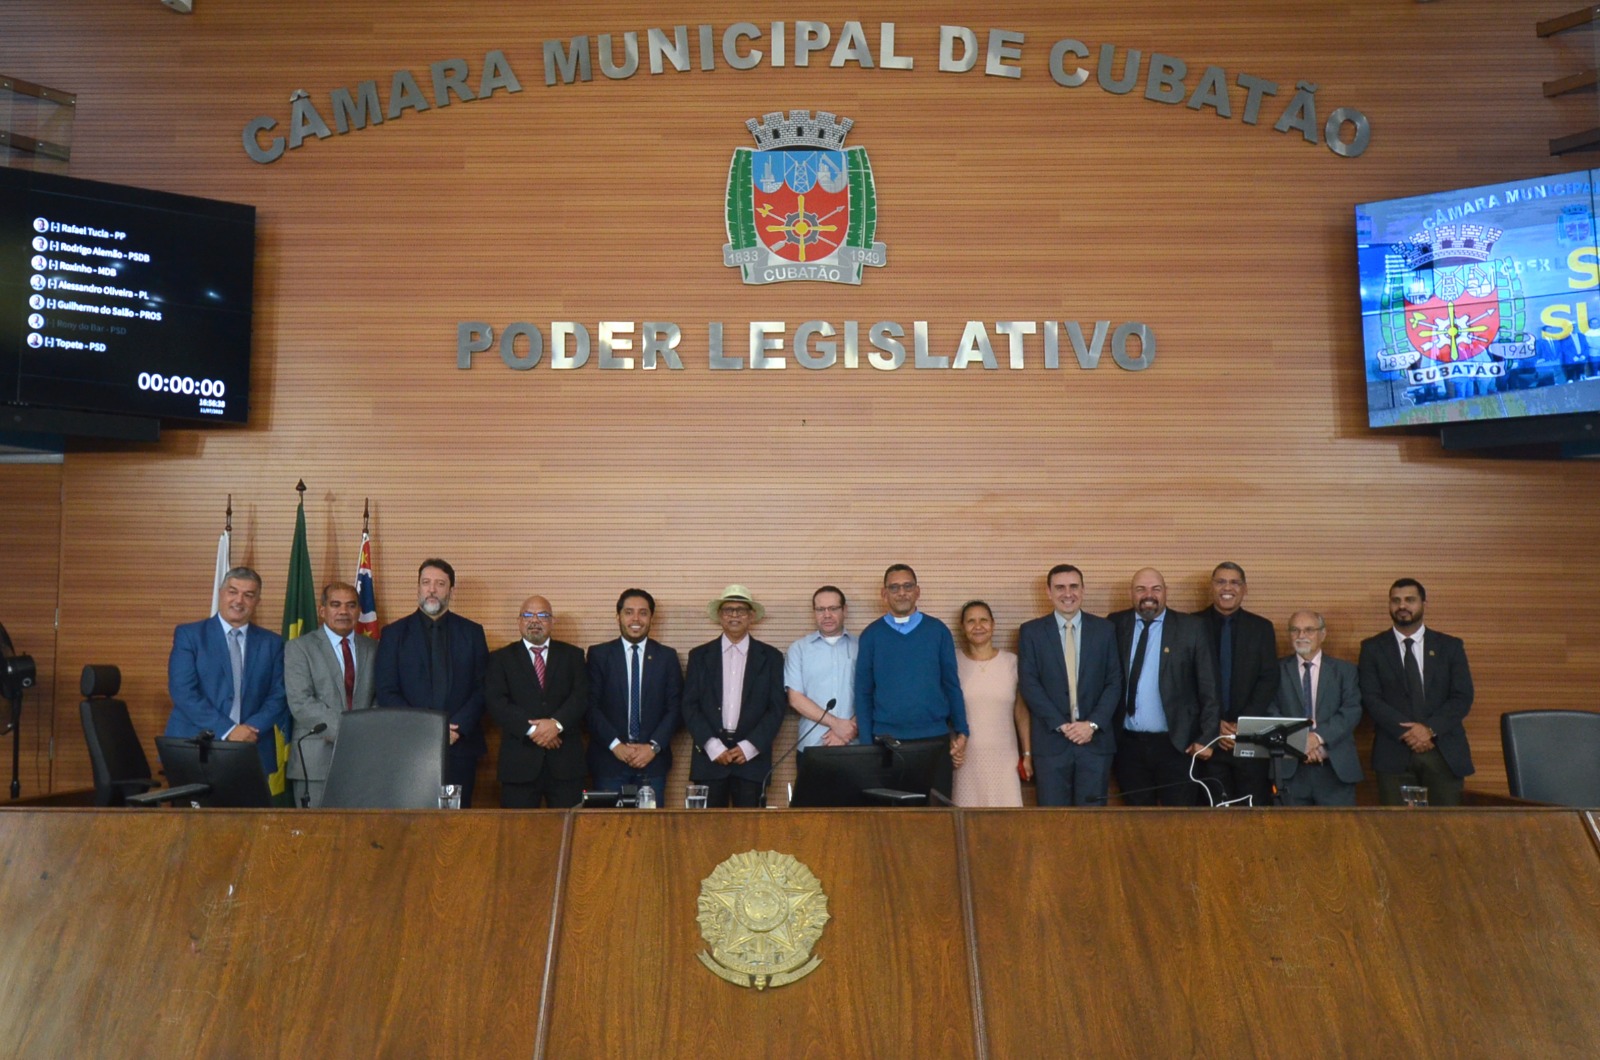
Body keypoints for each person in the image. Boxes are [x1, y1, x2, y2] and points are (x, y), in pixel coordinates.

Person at [374, 558, 489, 807]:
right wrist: (426, 730)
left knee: (454, 825)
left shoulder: (472, 633)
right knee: (412, 823)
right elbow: (386, 691)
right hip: (410, 747)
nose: (432, 589)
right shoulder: (393, 634)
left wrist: (456, 729)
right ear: (418, 588)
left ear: (451, 590)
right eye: (426, 583)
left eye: (440, 583)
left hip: (459, 748)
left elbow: (483, 688)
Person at [853, 564, 969, 801]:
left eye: (907, 586)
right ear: (884, 594)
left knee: (936, 817)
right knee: (892, 820)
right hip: (886, 744)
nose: (901, 592)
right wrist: (866, 744)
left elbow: (951, 684)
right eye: (894, 587)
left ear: (918, 591)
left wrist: (962, 730)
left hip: (934, 741)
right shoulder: (871, 635)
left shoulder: (938, 631)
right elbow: (863, 693)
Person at [1109, 567, 1221, 806]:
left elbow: (1209, 688)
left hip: (1178, 745)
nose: (1148, 594)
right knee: (1137, 824)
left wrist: (1207, 737)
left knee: (1178, 823)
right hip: (1128, 746)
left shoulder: (1192, 628)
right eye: (1141, 589)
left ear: (1166, 592)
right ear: (1131, 593)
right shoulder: (1116, 624)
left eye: (1155, 588)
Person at [1358, 578, 1475, 806]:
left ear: (1423, 603)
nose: (1402, 606)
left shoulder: (1450, 646)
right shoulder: (1372, 648)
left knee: (1447, 831)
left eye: (1410, 600)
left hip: (1442, 750)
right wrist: (1410, 733)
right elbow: (1371, 698)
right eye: (1396, 601)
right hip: (1394, 751)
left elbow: (1462, 697)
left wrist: (1429, 730)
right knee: (1397, 832)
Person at [165, 565, 289, 778]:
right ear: (221, 594)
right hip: (196, 746)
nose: (239, 601)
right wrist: (229, 730)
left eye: (248, 595)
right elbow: (183, 691)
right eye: (233, 592)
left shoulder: (273, 643)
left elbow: (279, 695)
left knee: (249, 812)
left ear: (257, 602)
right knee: (194, 812)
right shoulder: (190, 635)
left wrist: (249, 730)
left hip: (252, 747)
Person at [1016, 564, 1122, 806]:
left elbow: (1114, 682)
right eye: (1060, 587)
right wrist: (1062, 725)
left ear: (1083, 590)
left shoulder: (1105, 630)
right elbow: (1030, 684)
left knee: (1092, 823)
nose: (1068, 593)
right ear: (1048, 592)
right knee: (1054, 823)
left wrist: (1092, 724)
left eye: (1074, 586)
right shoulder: (1031, 632)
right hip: (1051, 743)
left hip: (1094, 744)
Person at [682, 585, 787, 807]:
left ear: (751, 616)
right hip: (709, 760)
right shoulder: (699, 656)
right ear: (720, 616)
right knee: (706, 833)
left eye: (741, 610)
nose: (734, 615)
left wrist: (750, 746)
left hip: (752, 761)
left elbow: (776, 708)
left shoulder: (771, 657)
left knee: (751, 835)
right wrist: (712, 745)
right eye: (729, 609)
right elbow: (689, 706)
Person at [485, 594, 588, 808]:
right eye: (527, 615)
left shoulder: (573, 656)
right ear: (519, 621)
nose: (534, 620)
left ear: (552, 622)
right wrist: (535, 731)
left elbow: (582, 696)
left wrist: (556, 725)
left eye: (542, 615)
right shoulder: (501, 658)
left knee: (569, 834)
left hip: (566, 764)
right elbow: (496, 702)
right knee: (518, 836)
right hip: (519, 764)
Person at [283, 580, 377, 807]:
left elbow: (379, 697)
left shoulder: (374, 648)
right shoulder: (299, 648)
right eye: (336, 604)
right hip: (316, 763)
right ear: (322, 610)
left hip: (365, 760)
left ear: (359, 610)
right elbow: (301, 702)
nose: (344, 611)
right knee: (316, 836)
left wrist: (366, 731)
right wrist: (349, 732)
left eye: (351, 605)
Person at [586, 588, 683, 797]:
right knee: (609, 828)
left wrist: (653, 747)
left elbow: (675, 709)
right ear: (618, 616)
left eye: (643, 612)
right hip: (609, 762)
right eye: (629, 612)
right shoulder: (599, 655)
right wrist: (616, 745)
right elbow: (590, 707)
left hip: (653, 763)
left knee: (651, 829)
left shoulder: (666, 657)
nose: (635, 619)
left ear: (651, 618)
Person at [1197, 562, 1279, 807]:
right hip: (1207, 741)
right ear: (1211, 587)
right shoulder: (1191, 625)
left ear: (1244, 589)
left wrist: (1241, 726)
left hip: (1250, 742)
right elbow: (1185, 683)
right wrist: (1214, 725)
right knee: (1211, 817)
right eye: (1221, 581)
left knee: (1253, 815)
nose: (1227, 587)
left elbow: (1268, 679)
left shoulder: (1262, 628)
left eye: (1234, 582)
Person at [1265, 611, 1363, 806]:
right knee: (1291, 835)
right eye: (1295, 630)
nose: (1301, 636)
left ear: (1323, 634)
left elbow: (1351, 711)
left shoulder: (1345, 671)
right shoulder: (1274, 670)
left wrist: (1315, 738)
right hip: (1289, 770)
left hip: (1335, 768)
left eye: (1309, 630)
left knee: (1340, 834)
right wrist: (1299, 742)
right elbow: (1270, 710)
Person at [952, 601, 1024, 807]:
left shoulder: (1012, 663)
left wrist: (1026, 753)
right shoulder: (953, 663)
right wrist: (951, 744)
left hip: (1005, 756)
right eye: (971, 621)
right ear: (962, 627)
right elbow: (945, 710)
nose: (978, 626)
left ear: (993, 624)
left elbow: (1022, 712)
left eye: (983, 620)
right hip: (965, 758)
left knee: (1007, 822)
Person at [784, 585, 858, 754]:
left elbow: (871, 694)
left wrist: (849, 730)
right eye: (820, 609)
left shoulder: (862, 647)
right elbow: (795, 699)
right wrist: (836, 724)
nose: (827, 615)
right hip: (812, 745)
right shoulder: (799, 649)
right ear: (814, 612)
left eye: (833, 608)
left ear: (844, 610)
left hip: (855, 745)